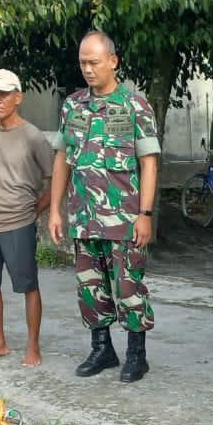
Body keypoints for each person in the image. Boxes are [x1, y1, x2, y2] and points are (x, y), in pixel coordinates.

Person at [50, 30, 162, 382]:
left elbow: (149, 163)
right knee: (89, 285)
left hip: (125, 218)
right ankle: (102, 349)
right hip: (84, 216)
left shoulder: (135, 105)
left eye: (94, 62)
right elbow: (62, 159)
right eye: (82, 62)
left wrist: (145, 215)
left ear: (113, 61)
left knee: (129, 287)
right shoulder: (73, 105)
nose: (87, 69)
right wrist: (55, 209)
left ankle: (136, 354)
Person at [0, 69, 52, 367]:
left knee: (28, 285)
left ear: (18, 97)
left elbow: (57, 179)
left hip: (19, 223)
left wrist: (37, 209)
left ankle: (33, 345)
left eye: (3, 94)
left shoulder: (33, 137)